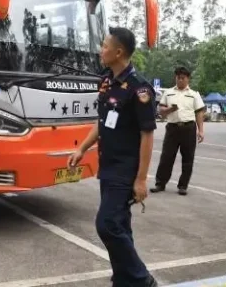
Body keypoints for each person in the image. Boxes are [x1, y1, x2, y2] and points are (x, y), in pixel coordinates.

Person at [68, 27, 158, 287]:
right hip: (107, 166)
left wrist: (141, 179)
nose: (101, 50)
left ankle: (141, 280)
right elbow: (102, 121)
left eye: (105, 46)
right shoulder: (107, 81)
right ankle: (124, 280)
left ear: (118, 52)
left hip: (125, 169)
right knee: (120, 225)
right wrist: (82, 148)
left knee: (106, 224)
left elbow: (147, 135)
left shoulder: (139, 89)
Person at [150, 66, 206, 196]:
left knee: (188, 158)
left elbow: (199, 113)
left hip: (188, 128)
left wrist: (201, 130)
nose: (180, 80)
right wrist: (169, 110)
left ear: (188, 79)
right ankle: (160, 183)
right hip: (172, 128)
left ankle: (183, 186)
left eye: (183, 78)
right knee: (166, 157)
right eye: (178, 78)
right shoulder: (168, 93)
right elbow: (161, 111)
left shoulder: (194, 95)